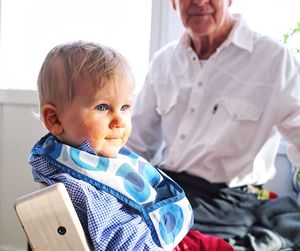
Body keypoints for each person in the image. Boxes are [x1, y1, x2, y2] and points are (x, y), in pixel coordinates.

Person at [127, 0, 300, 250]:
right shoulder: (164, 60)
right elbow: (136, 145)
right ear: (173, 3)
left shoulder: (275, 59)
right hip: (167, 186)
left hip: (228, 202)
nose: (198, 2)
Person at [28, 41, 195, 251]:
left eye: (125, 107)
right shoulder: (78, 185)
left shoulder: (99, 158)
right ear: (55, 120)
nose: (120, 120)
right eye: (102, 107)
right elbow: (122, 241)